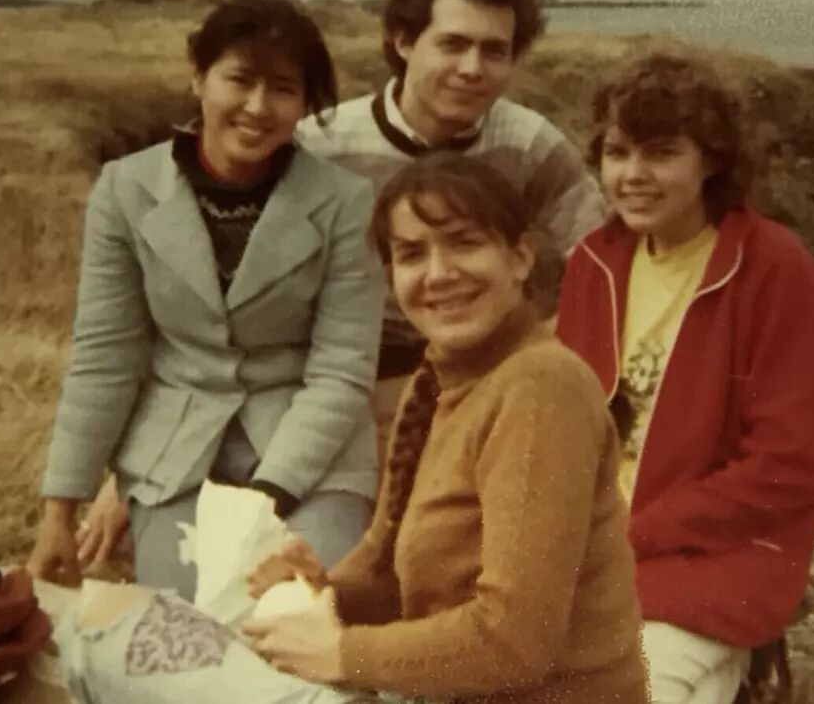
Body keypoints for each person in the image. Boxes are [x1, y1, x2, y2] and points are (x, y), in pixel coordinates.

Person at [54, 154, 649, 704]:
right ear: (391, 276)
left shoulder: (540, 388)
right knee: (121, 626)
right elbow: (387, 573)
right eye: (412, 254)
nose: (439, 273)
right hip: (436, 691)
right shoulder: (440, 380)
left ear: (520, 258)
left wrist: (340, 653)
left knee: (108, 635)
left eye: (464, 243)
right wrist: (323, 591)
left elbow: (515, 640)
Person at [26, 0, 384, 600]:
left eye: (283, 89)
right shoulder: (125, 189)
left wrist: (261, 506)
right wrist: (60, 512)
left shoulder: (346, 202)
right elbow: (105, 356)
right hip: (175, 451)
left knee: (297, 608)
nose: (258, 107)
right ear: (199, 76)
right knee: (185, 621)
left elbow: (342, 371)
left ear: (304, 103)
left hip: (312, 456)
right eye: (239, 80)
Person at [556, 55, 814, 704]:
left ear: (712, 159)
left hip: (712, 559)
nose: (633, 175)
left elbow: (788, 467)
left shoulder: (780, 274)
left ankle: (744, 664)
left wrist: (631, 535)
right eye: (617, 152)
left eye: (661, 153)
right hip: (588, 544)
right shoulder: (592, 264)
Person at [295, 0, 608, 473]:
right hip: (362, 377)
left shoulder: (529, 144)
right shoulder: (321, 145)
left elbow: (601, 264)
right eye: (454, 44)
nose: (472, 69)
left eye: (494, 51)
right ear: (403, 41)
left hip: (495, 372)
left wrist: (544, 351)